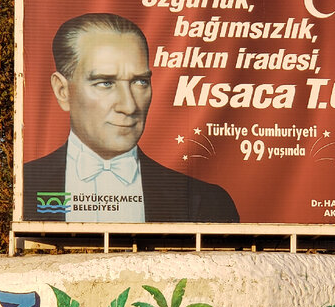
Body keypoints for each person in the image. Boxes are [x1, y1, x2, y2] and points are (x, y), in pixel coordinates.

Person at [21, 13, 239, 223]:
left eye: (140, 82)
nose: (129, 105)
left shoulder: (206, 202)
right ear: (62, 91)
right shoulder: (21, 188)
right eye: (105, 83)